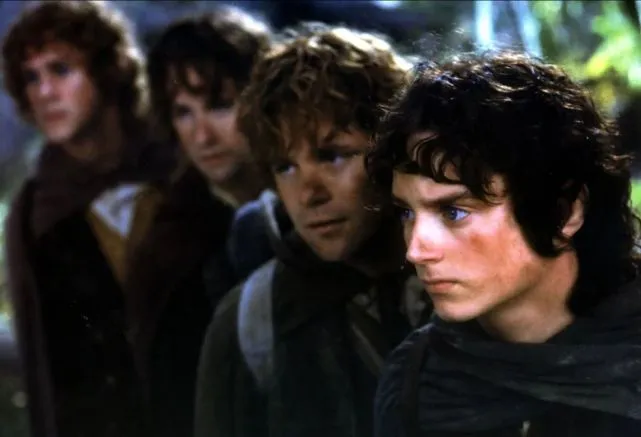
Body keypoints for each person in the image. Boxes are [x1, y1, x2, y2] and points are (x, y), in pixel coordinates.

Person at [366, 51, 641, 437]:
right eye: (407, 213)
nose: (416, 250)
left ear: (563, 212)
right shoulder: (415, 382)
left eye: (454, 212)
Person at [194, 23, 431, 437]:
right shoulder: (251, 318)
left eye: (332, 156)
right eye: (285, 166)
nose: (308, 194)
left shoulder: (456, 276)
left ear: (389, 151)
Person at [2, 1, 173, 436]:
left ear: (107, 71)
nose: (44, 92)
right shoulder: (37, 208)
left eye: (60, 70)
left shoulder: (177, 171)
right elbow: (45, 367)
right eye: (31, 77)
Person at [125, 8, 275, 437]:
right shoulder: (170, 240)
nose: (202, 135)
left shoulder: (307, 207)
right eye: (183, 112)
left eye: (220, 106)